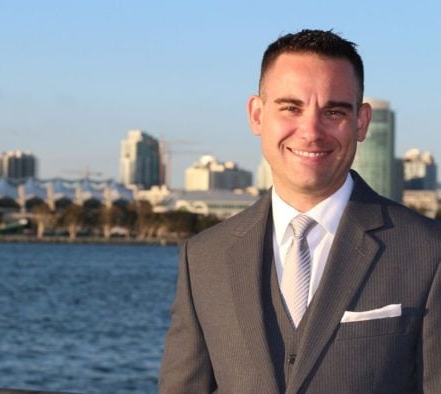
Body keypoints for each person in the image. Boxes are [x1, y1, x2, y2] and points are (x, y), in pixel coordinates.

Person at [158, 29, 441, 393]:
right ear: (257, 115)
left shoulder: (429, 253)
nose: (311, 131)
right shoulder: (203, 259)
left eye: (334, 111)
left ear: (361, 122)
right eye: (291, 108)